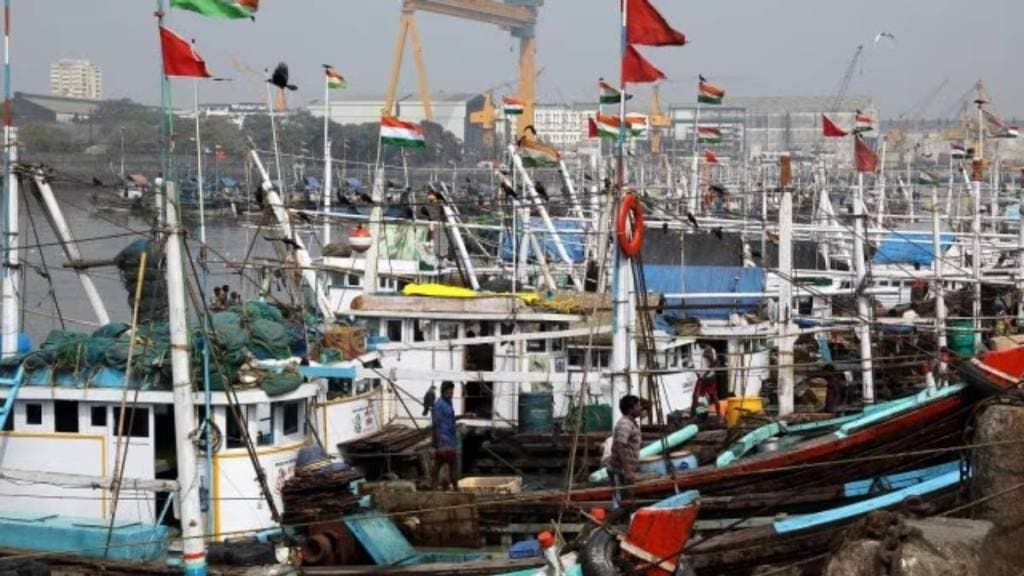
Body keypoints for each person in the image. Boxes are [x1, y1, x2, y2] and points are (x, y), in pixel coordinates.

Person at [608, 394, 646, 509]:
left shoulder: (631, 423)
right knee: (620, 503)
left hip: (624, 469)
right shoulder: (625, 424)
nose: (640, 408)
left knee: (628, 499)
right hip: (619, 469)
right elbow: (620, 446)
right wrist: (627, 470)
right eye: (638, 406)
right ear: (631, 409)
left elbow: (630, 444)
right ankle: (609, 524)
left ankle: (626, 522)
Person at [431, 381, 459, 491]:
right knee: (444, 466)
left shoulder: (448, 403)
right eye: (449, 392)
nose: (451, 394)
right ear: (444, 391)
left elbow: (450, 419)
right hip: (443, 441)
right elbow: (436, 425)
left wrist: (463, 415)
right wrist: (439, 445)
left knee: (442, 466)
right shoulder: (439, 405)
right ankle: (453, 490)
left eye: (452, 392)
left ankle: (452, 489)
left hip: (450, 440)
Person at [691, 344, 720, 417]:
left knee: (695, 396)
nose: (698, 345)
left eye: (699, 343)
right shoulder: (712, 349)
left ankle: (692, 416)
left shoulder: (707, 350)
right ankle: (719, 415)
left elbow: (714, 363)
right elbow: (716, 362)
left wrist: (704, 375)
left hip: (705, 378)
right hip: (710, 376)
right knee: (714, 396)